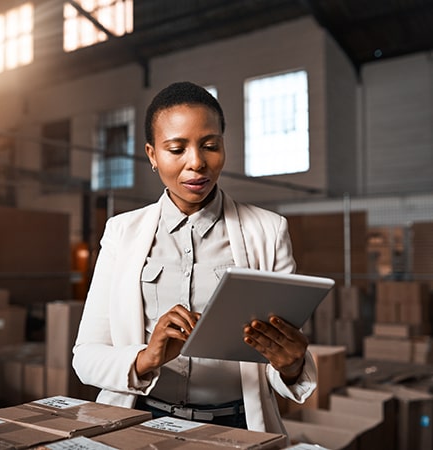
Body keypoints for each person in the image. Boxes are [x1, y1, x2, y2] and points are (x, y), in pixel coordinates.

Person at [72, 81, 317, 435]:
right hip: (139, 420)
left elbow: (280, 363)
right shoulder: (122, 232)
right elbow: (87, 356)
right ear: (152, 155)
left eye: (210, 146)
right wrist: (147, 358)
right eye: (176, 148)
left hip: (236, 425)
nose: (197, 163)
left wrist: (291, 365)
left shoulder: (268, 230)